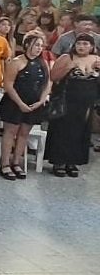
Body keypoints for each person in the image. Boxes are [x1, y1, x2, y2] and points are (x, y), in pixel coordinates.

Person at [0, 33, 52, 180]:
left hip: (34, 103)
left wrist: (41, 100)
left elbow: (48, 83)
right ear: (27, 45)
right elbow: (8, 85)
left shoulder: (43, 63)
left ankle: (16, 162)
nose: (39, 48)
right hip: (14, 102)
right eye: (36, 45)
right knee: (10, 132)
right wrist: (20, 103)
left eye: (41, 46)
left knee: (24, 133)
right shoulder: (16, 62)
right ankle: (5, 164)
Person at [44, 34, 97, 178]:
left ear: (92, 46)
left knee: (80, 132)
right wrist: (68, 67)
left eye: (85, 44)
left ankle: (73, 162)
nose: (81, 46)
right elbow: (53, 77)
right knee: (63, 131)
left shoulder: (96, 59)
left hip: (86, 103)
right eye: (79, 43)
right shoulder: (66, 58)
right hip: (66, 101)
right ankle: (59, 162)